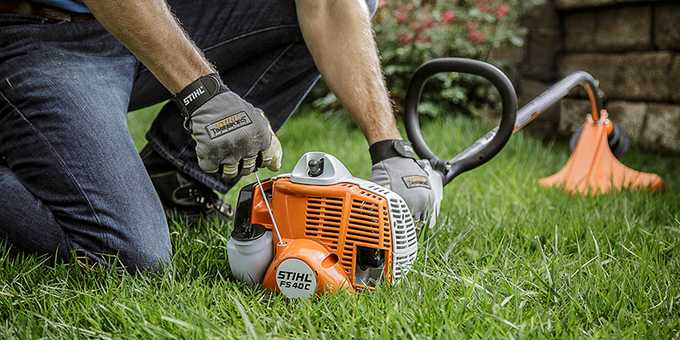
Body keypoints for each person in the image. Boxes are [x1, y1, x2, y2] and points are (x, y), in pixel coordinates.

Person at [0, 0, 439, 272]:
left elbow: (326, 5)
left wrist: (389, 146)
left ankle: (176, 182)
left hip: (158, 16)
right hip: (37, 35)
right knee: (128, 255)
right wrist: (205, 94)